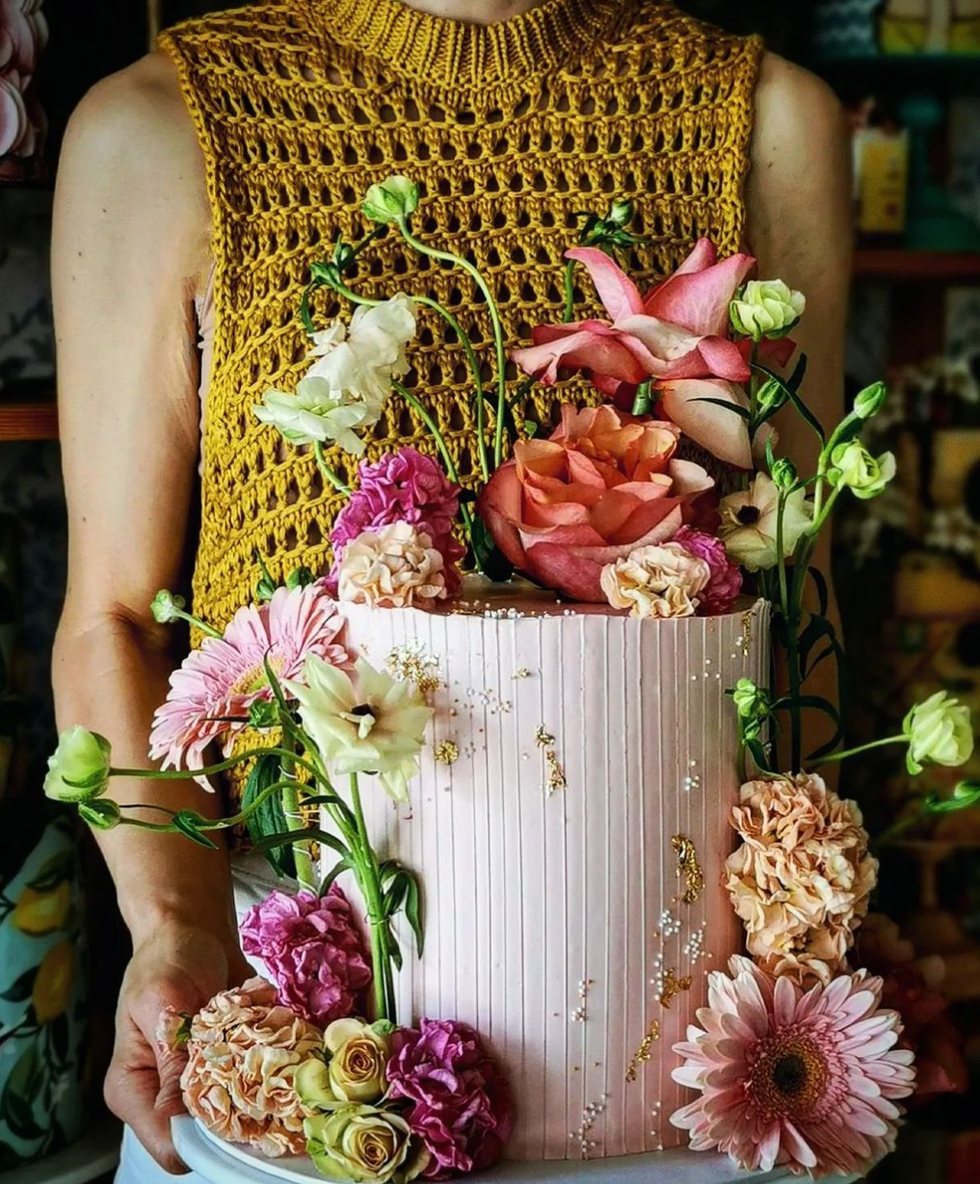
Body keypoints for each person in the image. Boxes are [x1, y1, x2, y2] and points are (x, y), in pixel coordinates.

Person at [50, 0, 851, 1178]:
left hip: (678, 1041)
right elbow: (110, 614)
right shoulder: (159, 125)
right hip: (306, 1030)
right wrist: (175, 932)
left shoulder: (766, 119)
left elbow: (800, 591)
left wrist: (804, 928)